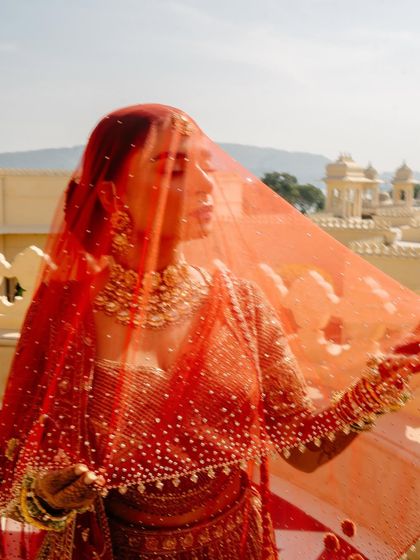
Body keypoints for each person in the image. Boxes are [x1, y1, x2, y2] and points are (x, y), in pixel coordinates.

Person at [0, 104, 419, 560]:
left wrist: (372, 394)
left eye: (206, 166)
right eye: (175, 168)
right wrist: (45, 497)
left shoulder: (241, 305)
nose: (205, 183)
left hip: (234, 544)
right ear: (107, 197)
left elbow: (301, 450)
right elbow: (17, 484)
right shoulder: (67, 313)